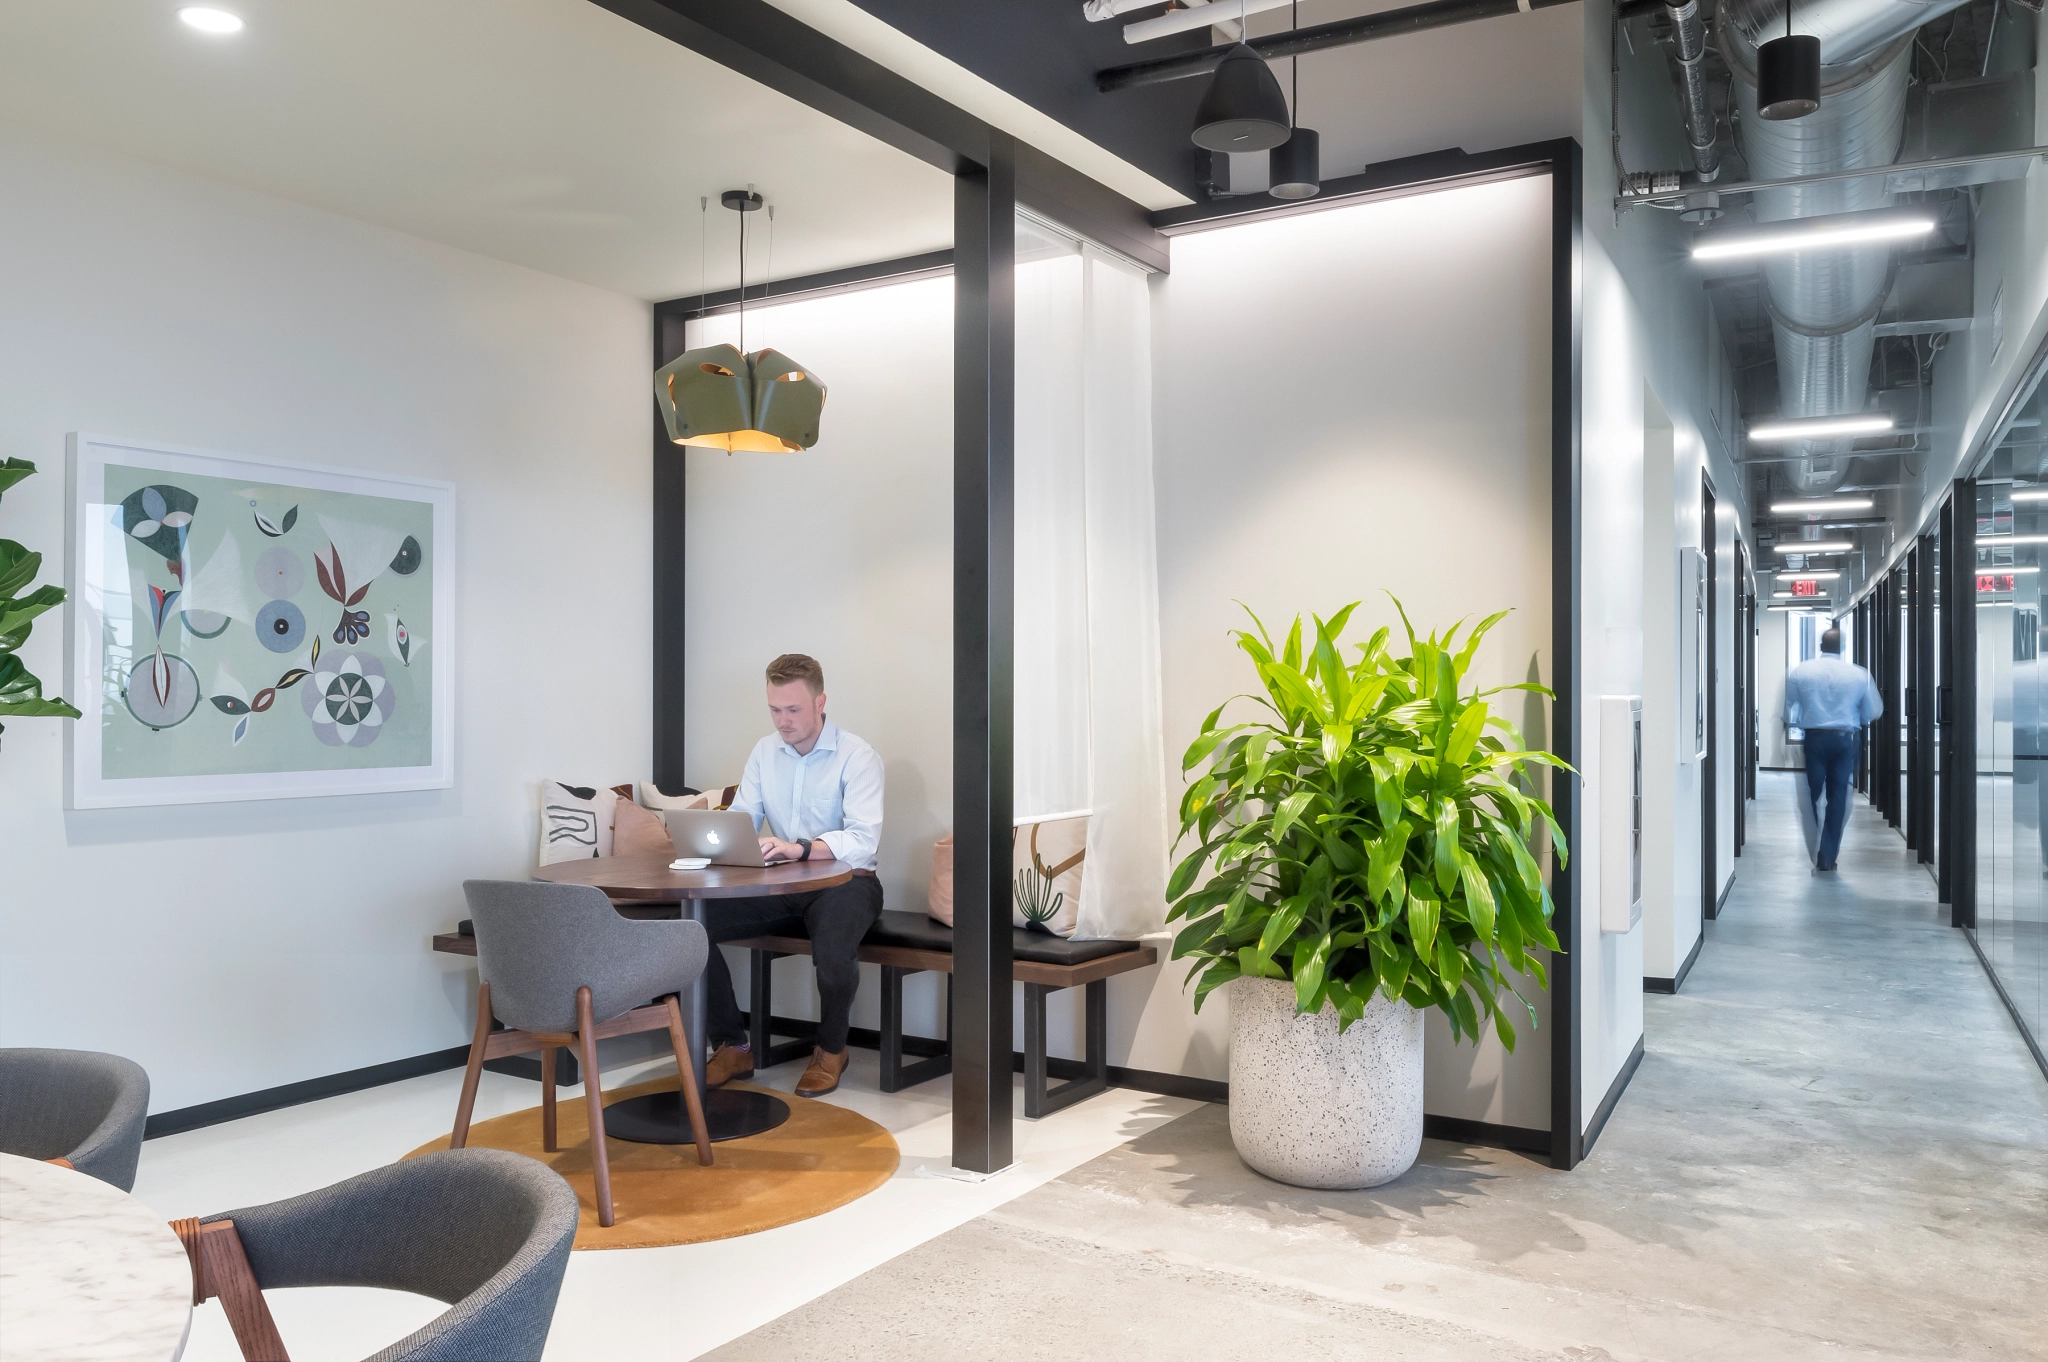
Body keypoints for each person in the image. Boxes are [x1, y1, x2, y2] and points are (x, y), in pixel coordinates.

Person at [701, 653, 884, 1097]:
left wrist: (801, 847)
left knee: (834, 951)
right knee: (691, 924)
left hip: (848, 882)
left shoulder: (857, 756)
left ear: (821, 702)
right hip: (784, 883)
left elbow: (864, 840)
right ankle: (732, 1045)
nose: (783, 721)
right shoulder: (765, 752)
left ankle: (831, 1050)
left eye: (794, 710)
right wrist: (714, 844)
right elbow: (743, 817)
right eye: (775, 710)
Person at [1785, 626, 1883, 872]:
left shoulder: (1801, 671)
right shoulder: (1859, 675)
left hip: (1814, 739)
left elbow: (1788, 709)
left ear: (1820, 646)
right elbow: (1872, 712)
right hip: (1844, 740)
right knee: (1838, 797)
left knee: (1811, 795)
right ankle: (1827, 856)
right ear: (1841, 648)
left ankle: (1814, 843)